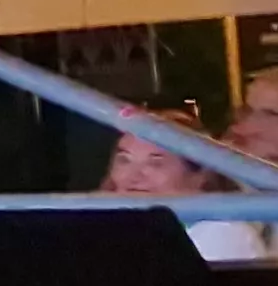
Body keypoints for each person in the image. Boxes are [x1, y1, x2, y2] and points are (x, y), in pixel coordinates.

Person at [102, 106, 266, 262]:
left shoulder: (222, 233)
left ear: (199, 175)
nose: (133, 176)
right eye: (124, 160)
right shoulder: (107, 228)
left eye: (155, 163)